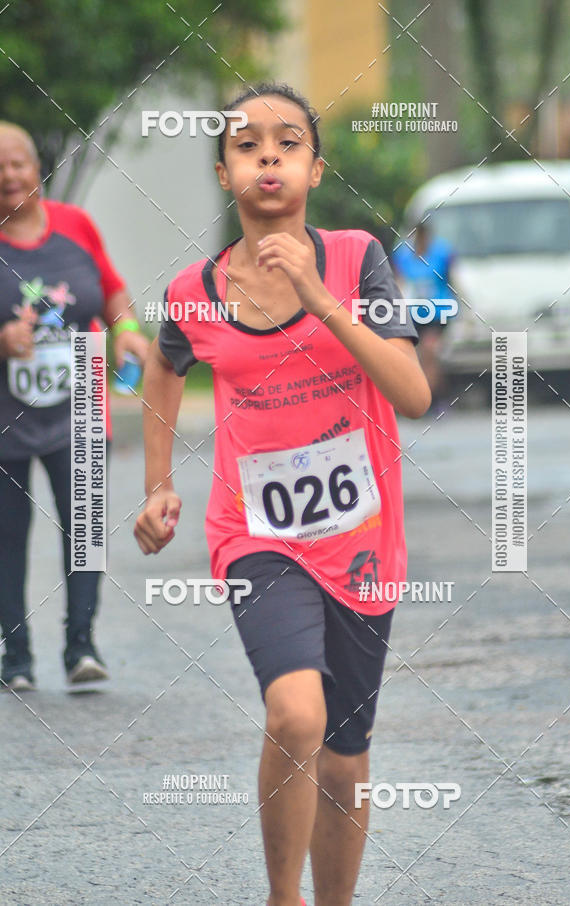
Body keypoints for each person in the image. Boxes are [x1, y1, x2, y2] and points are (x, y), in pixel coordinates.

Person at [134, 83, 431, 906]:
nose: (268, 155)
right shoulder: (194, 289)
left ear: (315, 166)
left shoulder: (355, 257)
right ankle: (282, 898)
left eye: (288, 141)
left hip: (363, 538)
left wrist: (321, 299)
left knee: (343, 752)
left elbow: (410, 394)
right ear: (226, 174)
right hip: (256, 534)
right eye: (247, 144)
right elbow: (164, 364)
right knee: (296, 715)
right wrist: (159, 484)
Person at [0, 121, 148, 691]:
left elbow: (111, 290)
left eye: (19, 162)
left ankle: (81, 647)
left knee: (84, 529)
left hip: (82, 400)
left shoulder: (76, 226)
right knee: (8, 535)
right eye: (0, 166)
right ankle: (16, 658)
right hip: (6, 417)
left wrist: (129, 331)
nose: (10, 174)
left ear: (37, 168)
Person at [392, 219, 456, 412]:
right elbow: (398, 282)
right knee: (414, 355)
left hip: (437, 311)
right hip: (413, 312)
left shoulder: (442, 253)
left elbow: (453, 279)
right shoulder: (402, 255)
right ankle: (417, 397)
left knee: (430, 351)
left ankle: (433, 399)